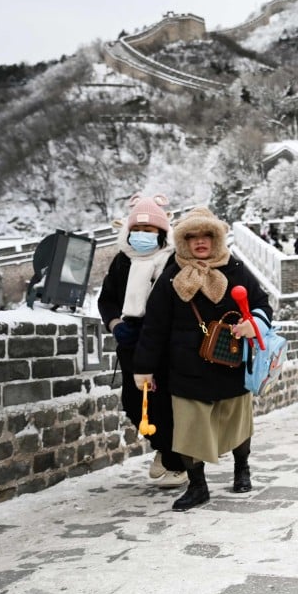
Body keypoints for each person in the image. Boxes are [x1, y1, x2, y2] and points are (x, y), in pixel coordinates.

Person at [133, 207, 273, 512]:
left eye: (206, 235)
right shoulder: (171, 276)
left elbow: (262, 305)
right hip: (186, 368)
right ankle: (198, 486)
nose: (200, 242)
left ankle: (242, 468)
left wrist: (255, 323)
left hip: (230, 362)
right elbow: (154, 325)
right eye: (192, 236)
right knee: (189, 428)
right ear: (183, 241)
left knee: (238, 422)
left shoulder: (235, 268)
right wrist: (143, 367)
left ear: (217, 237)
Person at [97, 193, 186, 488]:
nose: (142, 236)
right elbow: (107, 299)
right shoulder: (123, 261)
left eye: (149, 231)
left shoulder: (173, 260)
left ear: (161, 233)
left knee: (165, 402)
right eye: (137, 230)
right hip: (130, 341)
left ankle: (177, 463)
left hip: (165, 342)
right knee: (134, 403)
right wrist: (115, 324)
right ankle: (165, 448)